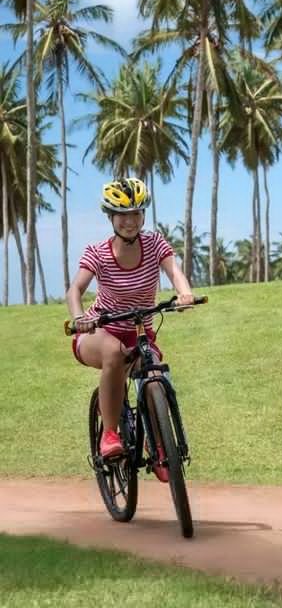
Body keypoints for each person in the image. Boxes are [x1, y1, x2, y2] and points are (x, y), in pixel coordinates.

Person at [66, 178, 194, 481]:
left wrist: (185, 293)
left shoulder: (155, 244)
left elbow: (174, 271)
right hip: (98, 331)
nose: (130, 221)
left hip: (139, 331)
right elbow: (75, 289)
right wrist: (79, 317)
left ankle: (160, 444)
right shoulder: (97, 252)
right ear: (110, 217)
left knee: (155, 374)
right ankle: (109, 434)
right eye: (122, 214)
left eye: (136, 213)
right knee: (114, 353)